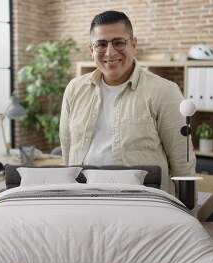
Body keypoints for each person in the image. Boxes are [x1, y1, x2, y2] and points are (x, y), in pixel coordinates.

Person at [59, 10, 196, 194]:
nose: (110, 52)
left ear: (133, 44)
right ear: (91, 50)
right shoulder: (74, 89)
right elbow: (67, 151)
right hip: (84, 198)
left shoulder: (165, 91)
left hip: (141, 204)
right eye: (101, 44)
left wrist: (188, 212)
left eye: (119, 42)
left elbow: (183, 162)